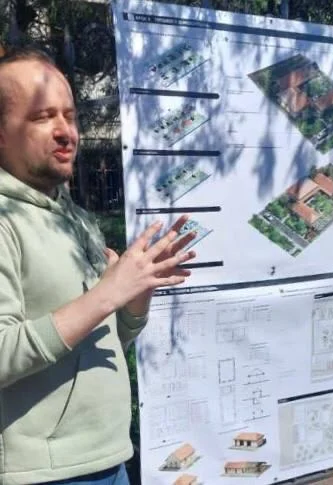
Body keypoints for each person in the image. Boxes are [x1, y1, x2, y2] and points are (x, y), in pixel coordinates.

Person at [0, 47, 196, 485]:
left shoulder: (76, 217)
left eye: (69, 116)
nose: (65, 131)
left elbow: (104, 341)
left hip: (110, 459)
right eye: (42, 117)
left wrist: (134, 298)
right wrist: (106, 294)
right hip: (44, 475)